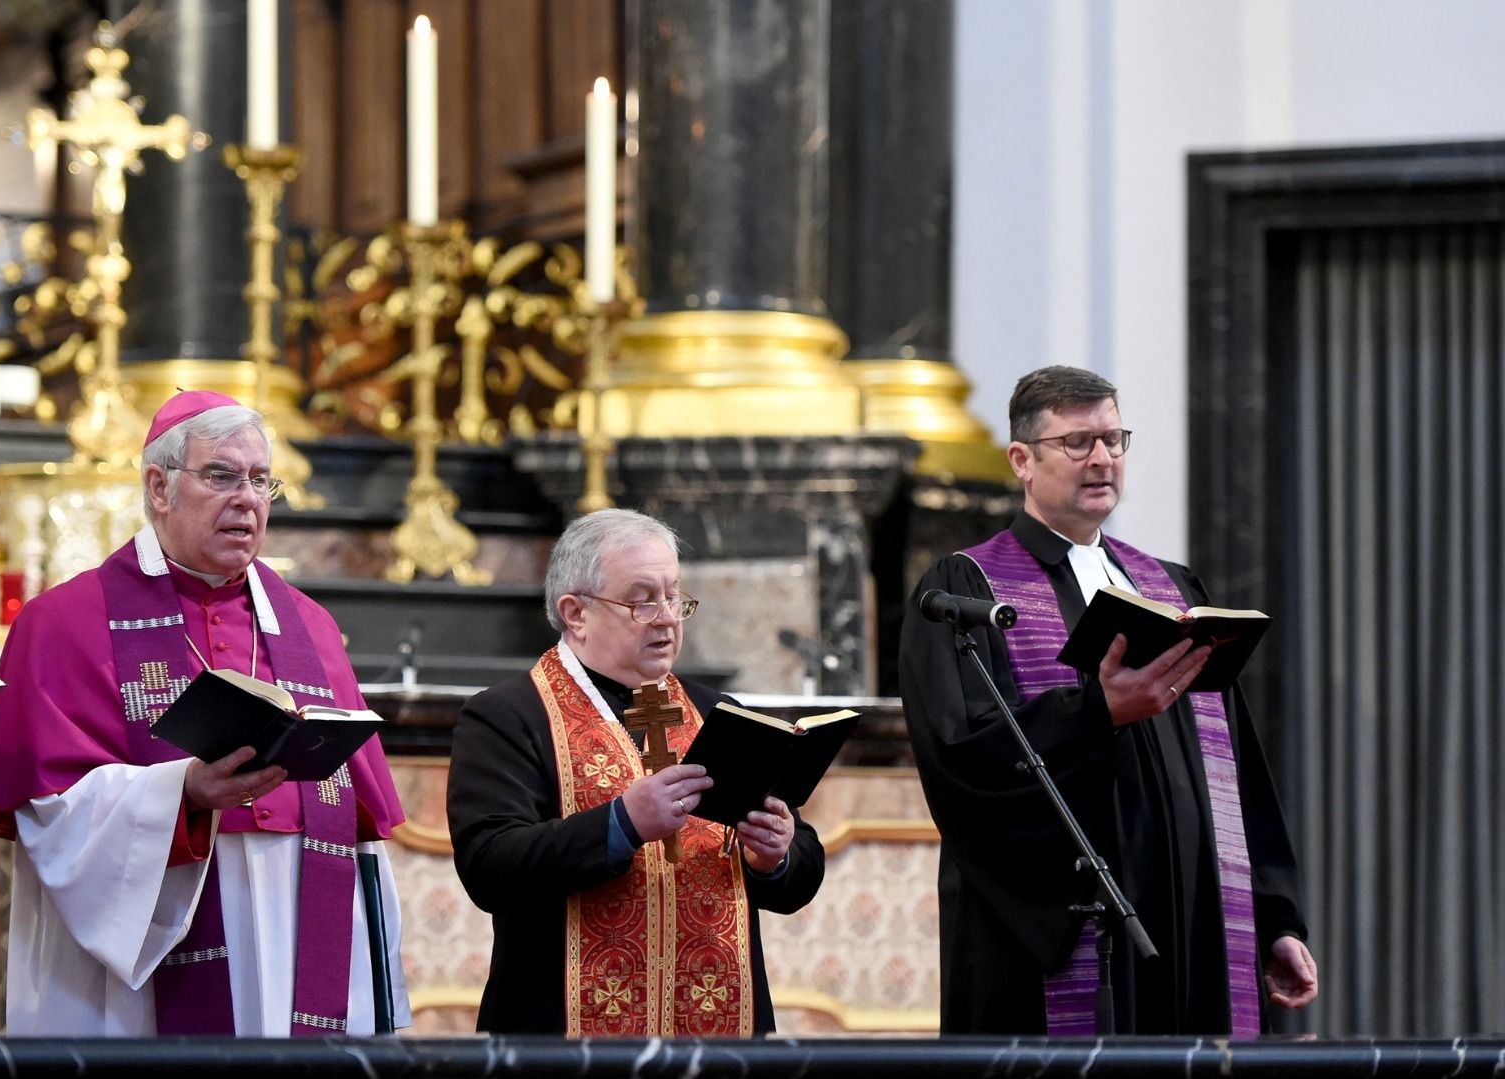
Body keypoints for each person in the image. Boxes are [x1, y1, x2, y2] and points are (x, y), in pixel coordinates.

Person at [0, 390, 409, 1036]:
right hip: (146, 931)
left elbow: (361, 826)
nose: (248, 499)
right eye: (222, 475)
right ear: (159, 487)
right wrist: (182, 792)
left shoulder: (308, 626)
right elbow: (52, 815)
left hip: (295, 914)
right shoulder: (61, 623)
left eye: (261, 480)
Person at [898, 365, 1319, 1037]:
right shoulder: (968, 592)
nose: (1102, 458)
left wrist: (1271, 919)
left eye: (1114, 439)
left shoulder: (1171, 588)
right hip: (1059, 925)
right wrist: (1094, 713)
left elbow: (1236, 769)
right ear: (1021, 460)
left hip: (1188, 919)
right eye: (1077, 442)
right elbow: (960, 760)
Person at [448, 508, 825, 1036]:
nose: (668, 617)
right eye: (643, 600)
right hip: (562, 1037)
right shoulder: (507, 715)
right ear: (575, 612)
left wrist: (776, 857)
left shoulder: (718, 713)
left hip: (718, 1036)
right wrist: (622, 824)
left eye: (674, 596)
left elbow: (800, 869)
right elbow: (489, 867)